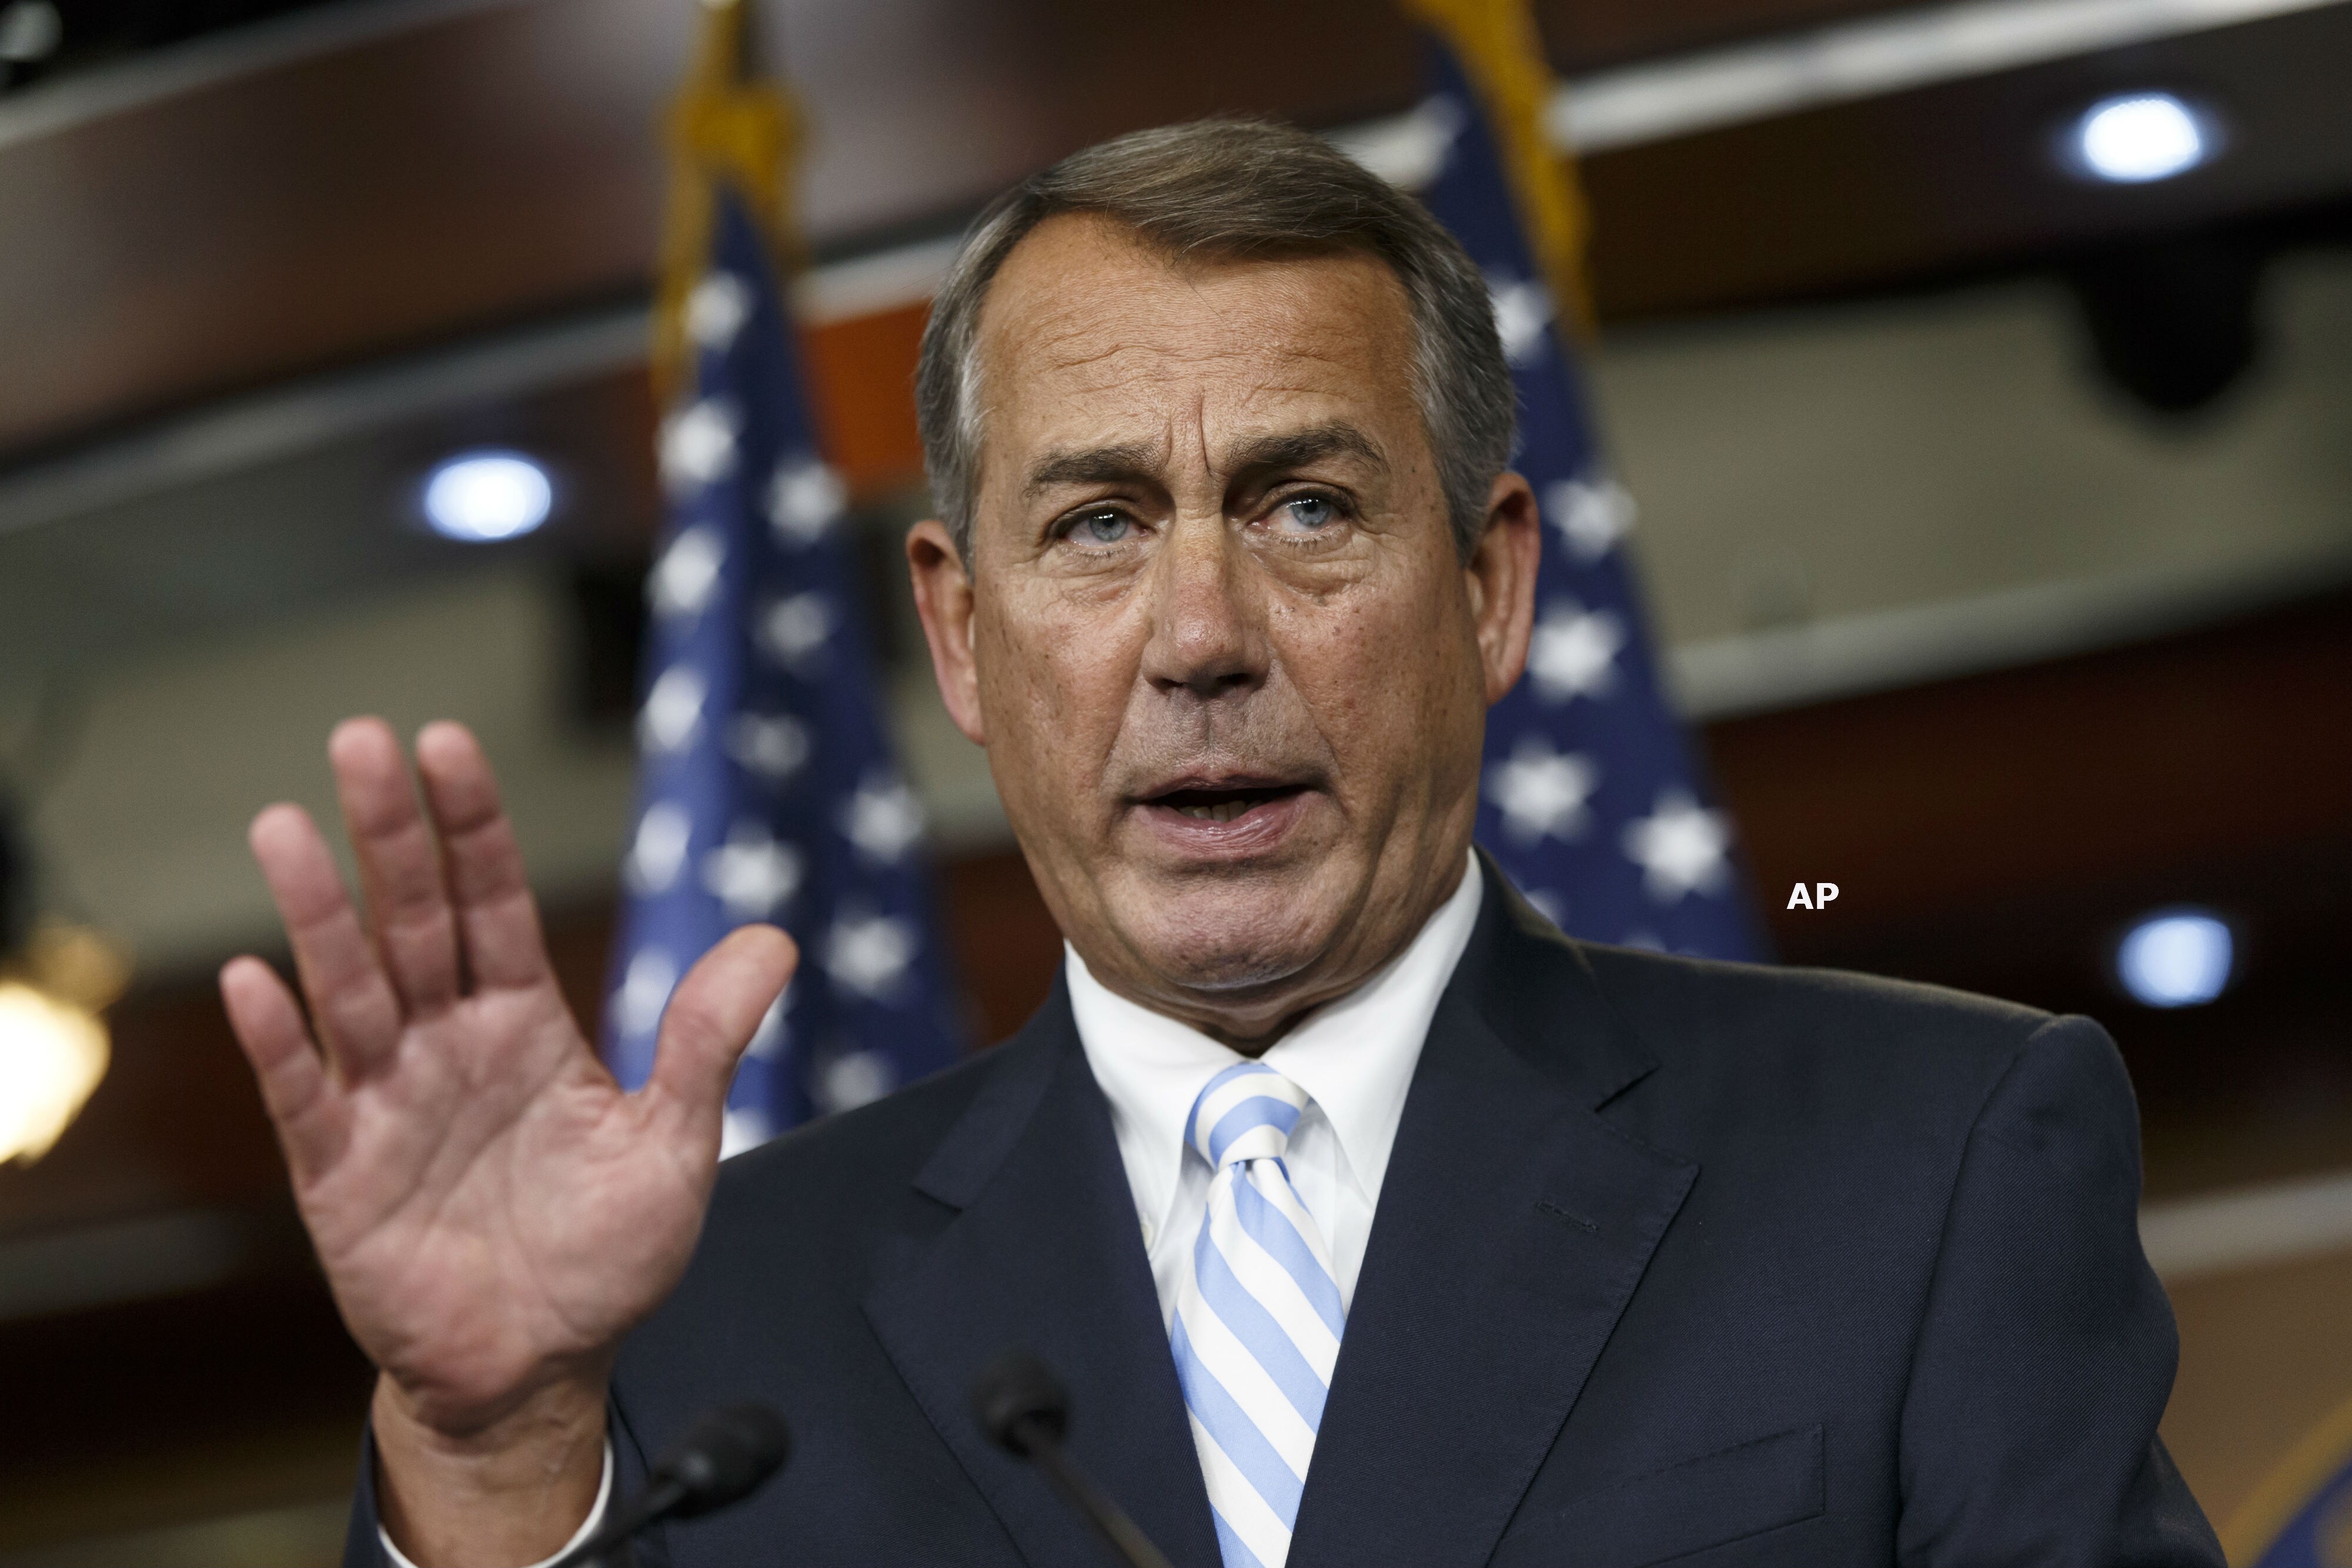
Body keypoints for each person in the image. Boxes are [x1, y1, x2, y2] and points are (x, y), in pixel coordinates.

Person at [220, 119, 2221, 1568]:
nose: (1200, 636)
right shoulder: (686, 1326)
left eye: (1306, 507)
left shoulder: (1927, 1159)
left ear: (1491, 585)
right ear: (959, 634)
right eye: (1097, 525)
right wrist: (490, 1453)